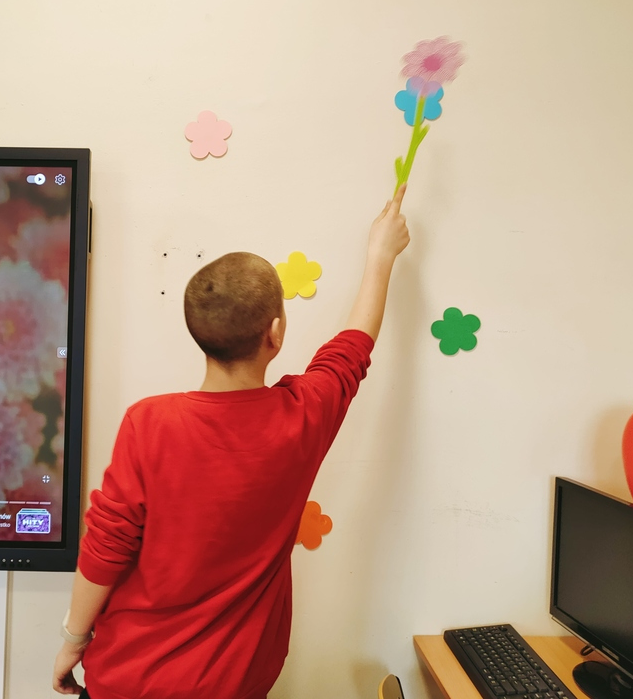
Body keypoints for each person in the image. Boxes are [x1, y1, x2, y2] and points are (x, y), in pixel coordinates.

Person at [53, 185, 411, 699]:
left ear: (198, 332)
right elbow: (353, 349)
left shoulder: (148, 423)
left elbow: (106, 547)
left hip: (128, 679)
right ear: (275, 332)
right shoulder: (304, 416)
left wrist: (73, 641)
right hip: (234, 686)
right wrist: (380, 256)